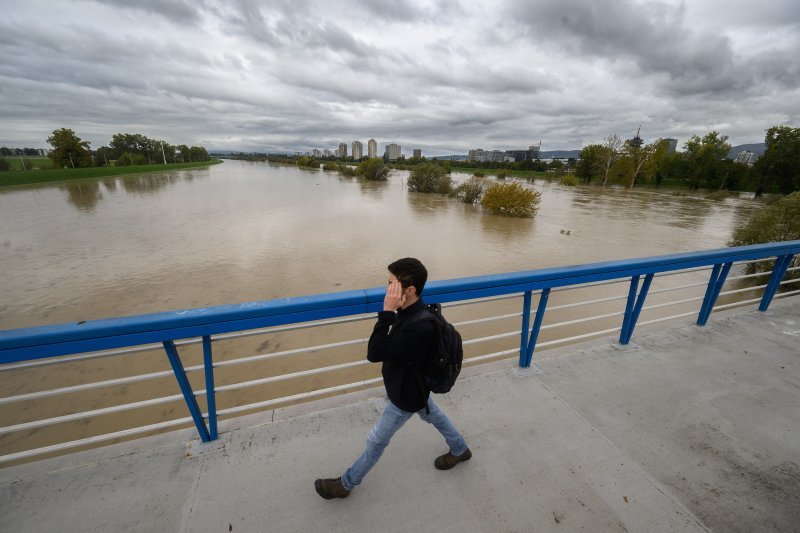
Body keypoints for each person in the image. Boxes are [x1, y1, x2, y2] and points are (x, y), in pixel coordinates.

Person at [314, 257, 472, 499]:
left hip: (405, 396)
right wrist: (394, 310)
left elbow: (374, 353)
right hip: (414, 387)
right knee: (433, 414)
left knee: (376, 440)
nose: (387, 289)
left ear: (409, 290)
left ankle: (346, 484)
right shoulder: (412, 311)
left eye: (391, 284)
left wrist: (386, 312)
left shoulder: (417, 326)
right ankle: (460, 449)